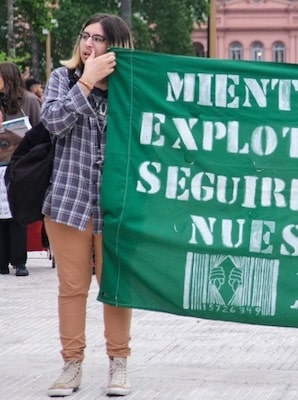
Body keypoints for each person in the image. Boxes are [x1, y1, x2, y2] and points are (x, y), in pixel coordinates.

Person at [40, 13, 134, 397]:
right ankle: (72, 364)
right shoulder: (63, 80)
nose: (88, 44)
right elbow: (53, 122)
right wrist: (87, 80)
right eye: (85, 36)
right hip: (67, 200)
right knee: (72, 287)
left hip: (117, 206)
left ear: (116, 47)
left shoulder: (132, 89)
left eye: (98, 39)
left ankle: (119, 362)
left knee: (114, 288)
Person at [0, 62, 41, 277]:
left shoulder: (30, 101)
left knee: (17, 211)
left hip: (21, 164)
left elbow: (40, 129)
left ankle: (18, 261)